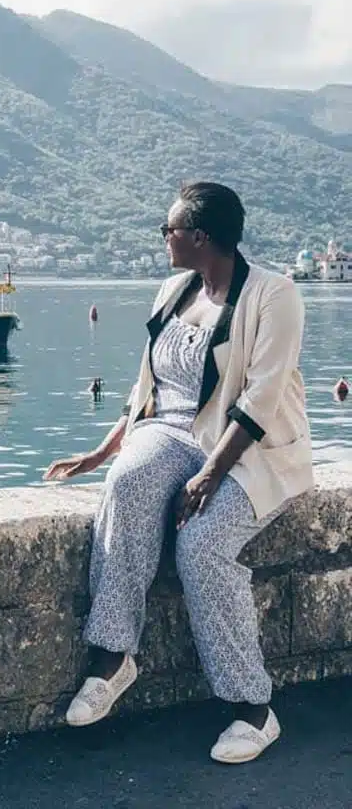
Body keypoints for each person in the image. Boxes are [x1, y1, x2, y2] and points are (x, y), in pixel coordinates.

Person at [45, 182, 313, 764]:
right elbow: (149, 388)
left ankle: (252, 710)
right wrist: (102, 453)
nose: (163, 239)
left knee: (202, 546)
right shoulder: (172, 290)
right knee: (126, 484)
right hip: (170, 431)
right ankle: (115, 656)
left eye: (168, 230)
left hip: (250, 448)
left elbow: (262, 400)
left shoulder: (274, 295)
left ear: (199, 236)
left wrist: (211, 475)